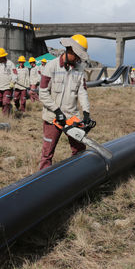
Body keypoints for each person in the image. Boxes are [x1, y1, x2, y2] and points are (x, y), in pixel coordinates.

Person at [38, 34, 95, 170]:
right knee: (47, 153)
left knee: (80, 149)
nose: (77, 59)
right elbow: (43, 93)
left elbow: (82, 92)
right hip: (52, 118)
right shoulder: (51, 67)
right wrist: (57, 111)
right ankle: (43, 182)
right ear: (69, 50)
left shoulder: (79, 70)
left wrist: (86, 113)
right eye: (76, 55)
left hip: (71, 116)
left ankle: (76, 174)